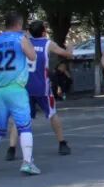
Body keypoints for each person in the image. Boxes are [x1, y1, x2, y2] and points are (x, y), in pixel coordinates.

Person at [6, 20, 74, 160]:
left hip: (25, 87)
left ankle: (11, 149)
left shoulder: (23, 42)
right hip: (42, 87)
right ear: (44, 32)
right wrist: (71, 46)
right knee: (52, 114)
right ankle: (62, 143)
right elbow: (67, 55)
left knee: (19, 118)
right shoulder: (47, 43)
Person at [0, 13, 39, 175]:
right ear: (19, 24)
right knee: (24, 126)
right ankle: (27, 162)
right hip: (16, 88)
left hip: (0, 89)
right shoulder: (21, 39)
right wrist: (27, 40)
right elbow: (33, 56)